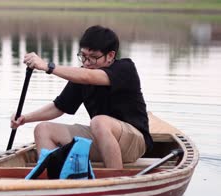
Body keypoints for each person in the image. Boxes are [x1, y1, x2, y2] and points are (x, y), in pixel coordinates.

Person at [10, 25, 153, 169]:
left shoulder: (125, 68)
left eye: (93, 57)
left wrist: (48, 67)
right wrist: (24, 118)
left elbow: (88, 77)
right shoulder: (82, 75)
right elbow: (58, 107)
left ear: (110, 56)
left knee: (99, 122)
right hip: (103, 139)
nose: (86, 62)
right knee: (43, 129)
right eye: (83, 56)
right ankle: (55, 182)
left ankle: (114, 178)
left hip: (134, 142)